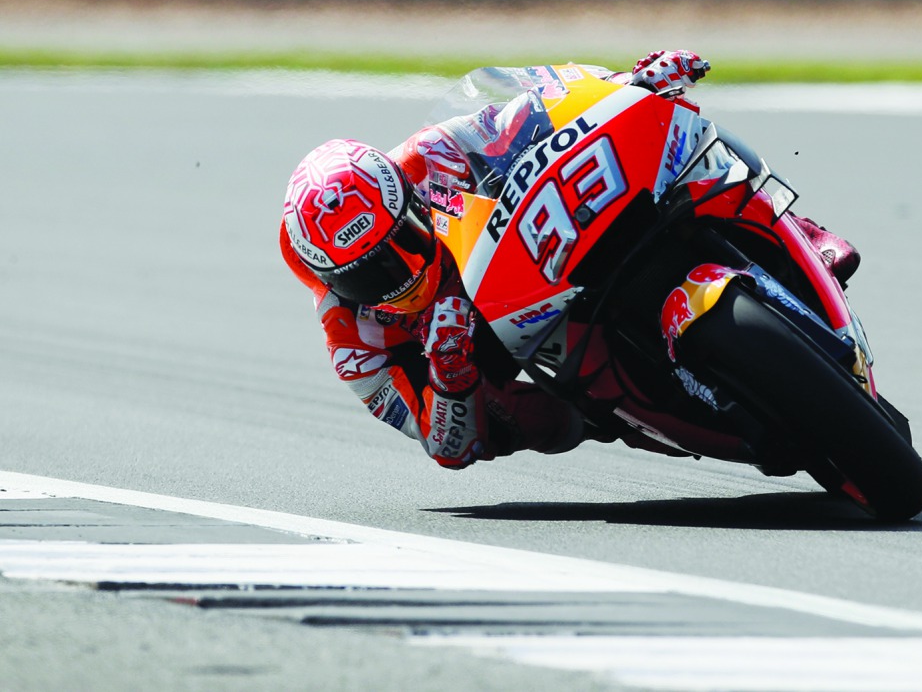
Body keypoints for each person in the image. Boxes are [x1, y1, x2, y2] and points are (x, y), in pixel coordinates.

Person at [280, 50, 860, 470]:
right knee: (549, 428)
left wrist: (631, 83)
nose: (398, 274)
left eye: (402, 241)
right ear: (328, 277)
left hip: (536, 251)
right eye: (365, 275)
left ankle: (801, 230)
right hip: (503, 348)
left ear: (406, 197)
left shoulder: (432, 155)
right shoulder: (352, 343)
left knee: (677, 133)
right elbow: (445, 446)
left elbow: (542, 106)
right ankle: (640, 401)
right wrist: (452, 380)